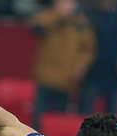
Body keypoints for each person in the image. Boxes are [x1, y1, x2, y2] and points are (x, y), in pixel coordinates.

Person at [28, 0, 96, 128]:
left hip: (67, 78)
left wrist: (81, 66)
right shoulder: (48, 16)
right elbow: (35, 26)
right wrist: (59, 15)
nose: (66, 5)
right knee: (39, 116)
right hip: (46, 76)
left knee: (61, 118)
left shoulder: (80, 22)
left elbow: (88, 48)